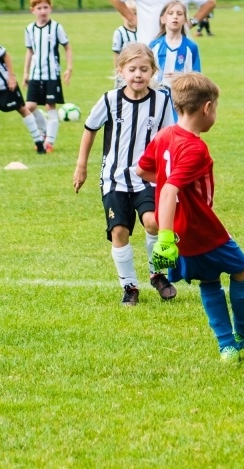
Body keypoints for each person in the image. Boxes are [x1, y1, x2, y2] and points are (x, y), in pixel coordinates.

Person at [135, 72, 244, 361]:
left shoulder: (164, 135)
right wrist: (164, 239)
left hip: (181, 232)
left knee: (209, 281)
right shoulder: (195, 148)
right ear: (207, 108)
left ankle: (227, 345)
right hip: (201, 228)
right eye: (215, 108)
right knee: (243, 269)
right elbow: (168, 191)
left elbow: (143, 171)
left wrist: (170, 229)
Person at [73, 43, 177, 306]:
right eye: (132, 69)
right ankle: (129, 286)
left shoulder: (162, 101)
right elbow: (89, 129)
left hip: (148, 178)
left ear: (153, 71)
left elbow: (170, 138)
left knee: (153, 222)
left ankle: (157, 274)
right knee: (119, 230)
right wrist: (81, 166)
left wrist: (174, 175)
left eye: (144, 69)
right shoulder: (109, 99)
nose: (138, 75)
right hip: (114, 179)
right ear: (121, 70)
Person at [0, 11, 46, 155]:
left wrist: (11, 77)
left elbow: (5, 55)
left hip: (5, 83)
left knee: (22, 109)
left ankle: (38, 141)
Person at [23, 0, 73, 153]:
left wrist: (68, 67)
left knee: (50, 106)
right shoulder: (30, 29)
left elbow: (67, 47)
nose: (43, 11)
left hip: (51, 74)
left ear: (50, 8)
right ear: (33, 10)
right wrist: (25, 73)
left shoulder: (56, 27)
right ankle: (44, 130)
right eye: (39, 8)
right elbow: (30, 51)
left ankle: (49, 142)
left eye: (46, 7)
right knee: (29, 106)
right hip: (35, 74)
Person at [149, 0, 201, 87]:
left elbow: (198, 77)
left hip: (182, 96)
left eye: (179, 14)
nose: (175, 16)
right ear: (163, 19)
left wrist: (182, 78)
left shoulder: (191, 47)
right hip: (157, 94)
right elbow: (147, 71)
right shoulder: (154, 45)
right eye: (170, 13)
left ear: (185, 20)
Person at [112, 0, 138, 68]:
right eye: (128, 13)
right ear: (122, 15)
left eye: (135, 14)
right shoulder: (120, 32)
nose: (131, 17)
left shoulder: (141, 31)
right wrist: (117, 70)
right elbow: (116, 54)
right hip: (125, 67)